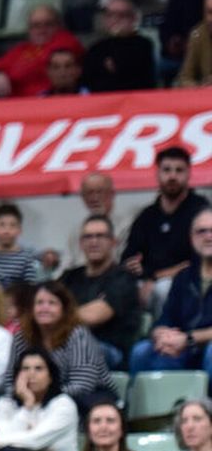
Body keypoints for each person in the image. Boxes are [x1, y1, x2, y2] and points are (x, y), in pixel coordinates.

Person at [123, 148, 208, 313]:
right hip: (146, 281)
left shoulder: (200, 211)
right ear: (157, 173)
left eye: (179, 170)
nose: (172, 176)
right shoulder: (147, 215)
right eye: (167, 170)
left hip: (188, 282)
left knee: (164, 289)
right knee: (123, 289)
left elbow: (200, 261)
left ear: (189, 174)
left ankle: (168, 335)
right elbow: (128, 256)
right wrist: (132, 265)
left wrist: (155, 277)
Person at [6, 282, 115, 408]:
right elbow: (10, 380)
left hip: (88, 400)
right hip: (35, 400)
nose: (45, 308)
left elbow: (83, 385)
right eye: (39, 303)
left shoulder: (77, 335)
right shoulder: (21, 337)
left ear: (64, 309)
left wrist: (43, 397)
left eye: (52, 303)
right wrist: (19, 396)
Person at [131, 207, 212, 374]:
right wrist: (161, 334)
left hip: (204, 346)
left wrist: (188, 339)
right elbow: (167, 317)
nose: (208, 236)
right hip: (182, 347)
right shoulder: (184, 277)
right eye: (201, 231)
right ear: (191, 238)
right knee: (142, 351)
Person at [59, 214, 140, 369]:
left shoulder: (123, 278)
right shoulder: (69, 277)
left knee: (78, 349)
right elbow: (45, 306)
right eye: (88, 237)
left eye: (100, 236)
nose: (94, 241)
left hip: (110, 350)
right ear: (81, 244)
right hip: (68, 344)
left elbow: (94, 316)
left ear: (113, 242)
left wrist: (60, 315)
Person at [0, 6, 83, 100]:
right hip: (14, 102)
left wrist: (12, 73)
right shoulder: (22, 49)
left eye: (48, 24)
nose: (42, 30)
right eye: (36, 26)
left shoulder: (65, 41)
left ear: (58, 26)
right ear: (29, 29)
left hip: (44, 99)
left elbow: (45, 64)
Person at [83, 0, 156, 93]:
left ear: (133, 18)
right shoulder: (95, 49)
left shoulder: (143, 45)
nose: (115, 19)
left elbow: (134, 77)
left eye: (121, 15)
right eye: (110, 15)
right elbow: (91, 80)